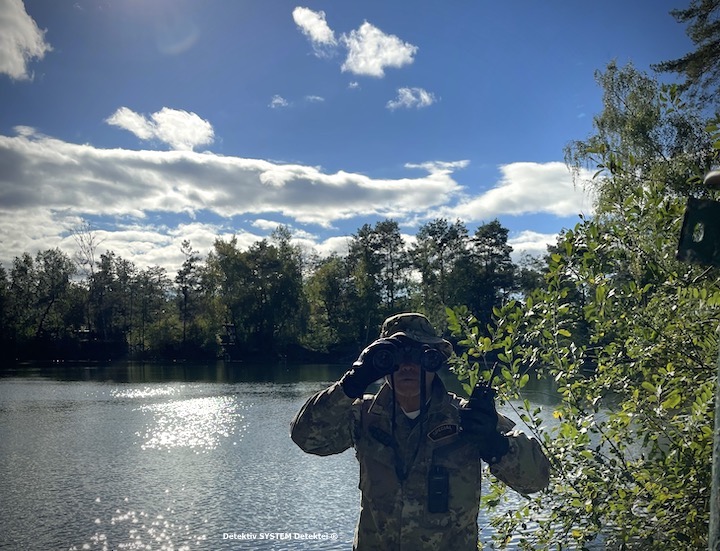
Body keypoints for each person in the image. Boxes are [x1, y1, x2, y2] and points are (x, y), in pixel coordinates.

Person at [290, 312, 551, 550]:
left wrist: (494, 444)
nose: (408, 365)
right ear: (380, 362)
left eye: (420, 355)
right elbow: (306, 438)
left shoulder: (467, 417)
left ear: (435, 361)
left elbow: (536, 480)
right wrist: (351, 384)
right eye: (396, 356)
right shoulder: (363, 415)